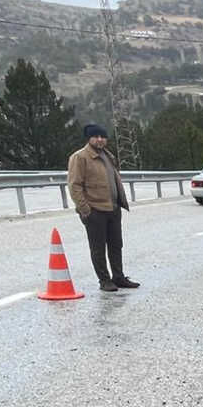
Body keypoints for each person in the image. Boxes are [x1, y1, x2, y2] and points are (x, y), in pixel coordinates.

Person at [66, 124, 138, 292]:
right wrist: (85, 210)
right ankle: (104, 280)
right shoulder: (80, 157)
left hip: (113, 208)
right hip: (95, 210)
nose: (100, 139)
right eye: (96, 136)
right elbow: (74, 185)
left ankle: (118, 277)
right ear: (89, 138)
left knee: (116, 245)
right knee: (98, 248)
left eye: (103, 136)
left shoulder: (108, 156)